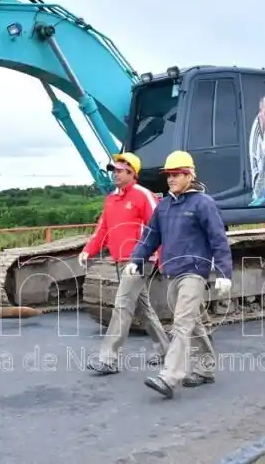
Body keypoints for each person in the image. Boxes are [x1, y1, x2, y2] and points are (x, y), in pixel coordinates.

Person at [126, 150, 233, 399]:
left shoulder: (203, 203)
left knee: (181, 324)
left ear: (189, 175)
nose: (171, 179)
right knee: (191, 321)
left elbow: (218, 239)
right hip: (172, 272)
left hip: (194, 272)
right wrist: (136, 259)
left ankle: (169, 377)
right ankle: (206, 368)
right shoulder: (164, 206)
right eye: (169, 175)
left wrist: (224, 272)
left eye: (176, 174)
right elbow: (151, 236)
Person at [81, 152, 171, 376]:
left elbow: (158, 228)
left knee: (122, 305)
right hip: (120, 261)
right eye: (114, 170)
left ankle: (108, 359)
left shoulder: (144, 196)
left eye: (120, 171)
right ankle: (165, 350)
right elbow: (103, 229)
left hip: (140, 260)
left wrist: (162, 256)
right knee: (143, 307)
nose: (115, 174)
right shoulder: (111, 199)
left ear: (132, 173)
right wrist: (88, 250)